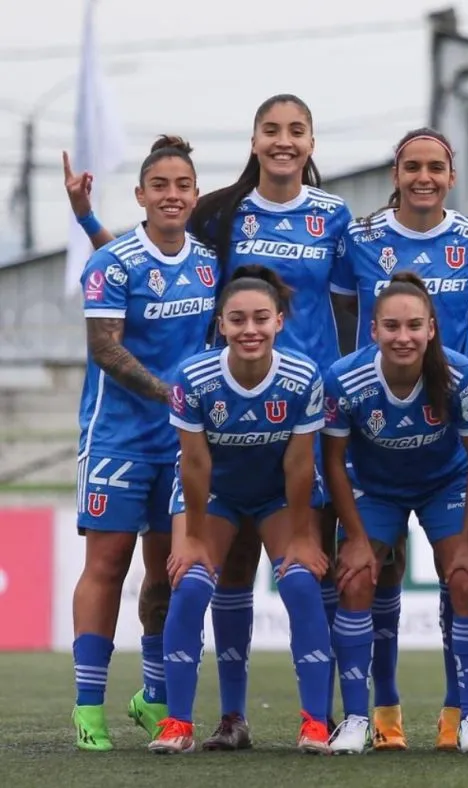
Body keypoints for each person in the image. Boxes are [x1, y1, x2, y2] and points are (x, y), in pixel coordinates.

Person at [66, 94, 353, 748]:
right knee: (196, 568)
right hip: (195, 419)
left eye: (296, 130)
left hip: (302, 411)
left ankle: (332, 710)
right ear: (254, 141)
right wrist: (87, 221)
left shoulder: (329, 217)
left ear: (311, 141)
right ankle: (203, 713)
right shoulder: (228, 216)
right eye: (271, 130)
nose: (283, 141)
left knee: (307, 565)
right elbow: (135, 268)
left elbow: (362, 293)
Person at [332, 127, 468, 751]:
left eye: (436, 167)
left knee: (464, 578)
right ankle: (369, 717)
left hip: (446, 465)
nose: (424, 177)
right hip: (374, 470)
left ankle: (464, 719)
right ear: (395, 175)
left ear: (451, 177)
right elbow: (343, 308)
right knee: (363, 579)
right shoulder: (361, 241)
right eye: (411, 167)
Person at [70, 136, 219, 750]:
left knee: (169, 573)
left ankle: (154, 698)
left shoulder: (209, 262)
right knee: (107, 566)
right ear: (140, 195)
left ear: (195, 194)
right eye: (160, 185)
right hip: (116, 440)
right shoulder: (110, 262)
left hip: (182, 445)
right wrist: (170, 395)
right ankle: (87, 709)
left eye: (182, 185)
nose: (172, 195)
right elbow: (104, 346)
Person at [149, 265, 331, 754]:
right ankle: (178, 725)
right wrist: (189, 537)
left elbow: (298, 463)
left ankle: (316, 723)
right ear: (221, 324)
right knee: (190, 583)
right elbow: (194, 461)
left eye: (260, 319)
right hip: (214, 493)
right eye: (237, 320)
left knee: (298, 579)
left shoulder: (302, 375)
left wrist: (300, 535)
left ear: (279, 322)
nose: (249, 329)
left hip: (277, 493)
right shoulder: (194, 376)